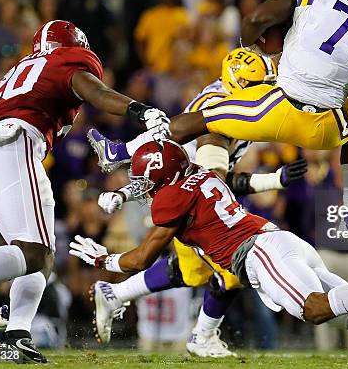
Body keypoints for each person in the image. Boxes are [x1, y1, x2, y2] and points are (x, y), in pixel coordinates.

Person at [70, 140, 348, 346]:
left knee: (313, 309)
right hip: (278, 241)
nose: (143, 186)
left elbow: (143, 256)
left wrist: (103, 256)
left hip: (259, 254)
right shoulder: (200, 176)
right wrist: (123, 196)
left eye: (146, 180)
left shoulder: (172, 196)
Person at [91, 0, 348, 215]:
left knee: (199, 120)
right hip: (326, 127)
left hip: (277, 109)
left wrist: (249, 46)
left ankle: (122, 151)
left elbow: (257, 19)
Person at [0, 20, 169, 362]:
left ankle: (18, 334)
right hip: (16, 143)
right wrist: (138, 109)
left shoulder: (25, 66)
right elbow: (94, 92)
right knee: (33, 251)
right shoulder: (68, 61)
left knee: (41, 253)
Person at [88, 48, 307, 357]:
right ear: (235, 81)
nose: (261, 92)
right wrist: (272, 181)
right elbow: (215, 180)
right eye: (255, 85)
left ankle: (116, 293)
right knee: (232, 270)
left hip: (181, 188)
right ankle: (202, 337)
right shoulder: (220, 118)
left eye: (264, 85)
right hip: (187, 198)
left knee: (191, 273)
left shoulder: (226, 95)